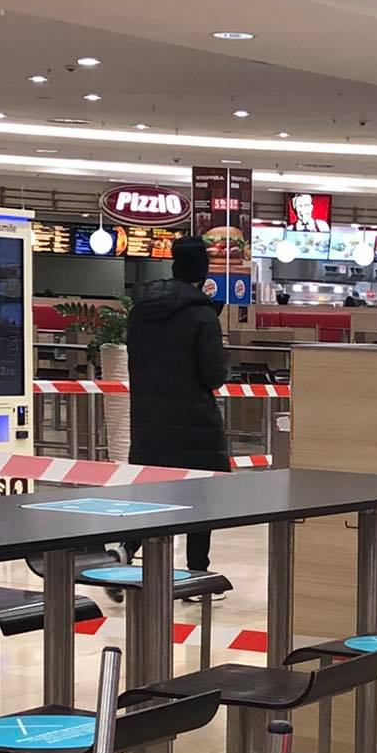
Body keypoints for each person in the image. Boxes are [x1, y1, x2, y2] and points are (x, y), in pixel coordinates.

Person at [122, 236, 228, 578]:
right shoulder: (202, 314)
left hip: (148, 419)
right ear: (202, 270)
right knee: (201, 495)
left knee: (150, 495)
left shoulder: (140, 311)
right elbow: (213, 375)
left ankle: (126, 548)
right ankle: (197, 572)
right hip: (193, 422)